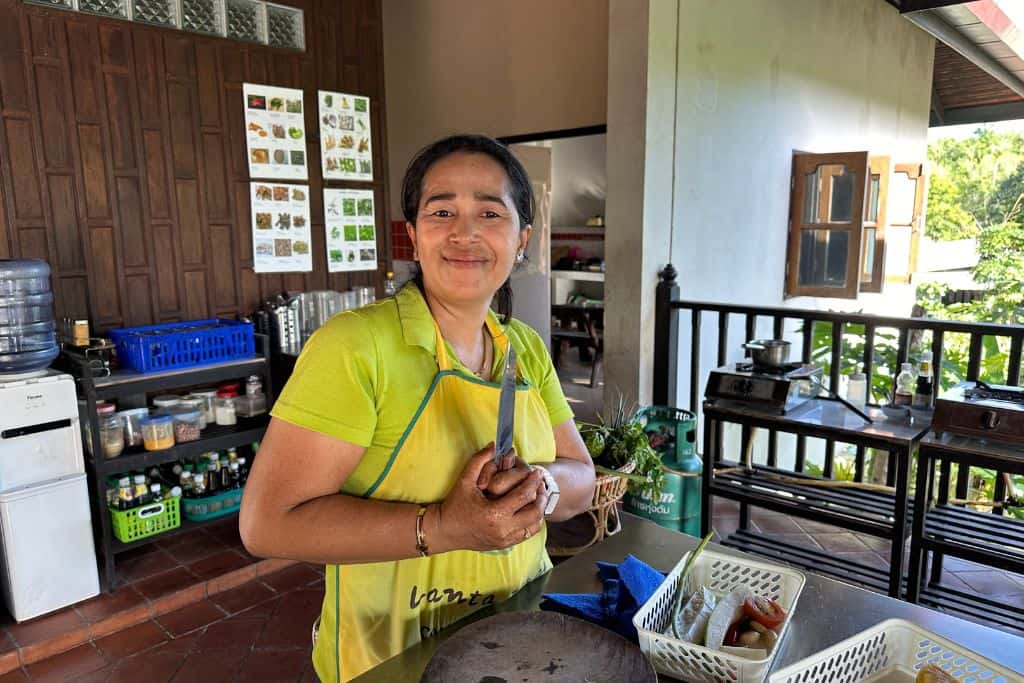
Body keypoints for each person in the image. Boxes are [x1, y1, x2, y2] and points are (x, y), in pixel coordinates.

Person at [239, 134, 596, 682]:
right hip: (392, 659)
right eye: (442, 210)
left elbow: (582, 482)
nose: (465, 232)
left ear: (522, 238)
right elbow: (267, 525)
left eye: (490, 212)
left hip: (519, 645)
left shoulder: (523, 348)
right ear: (413, 234)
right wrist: (446, 527)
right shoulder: (357, 346)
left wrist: (539, 486)